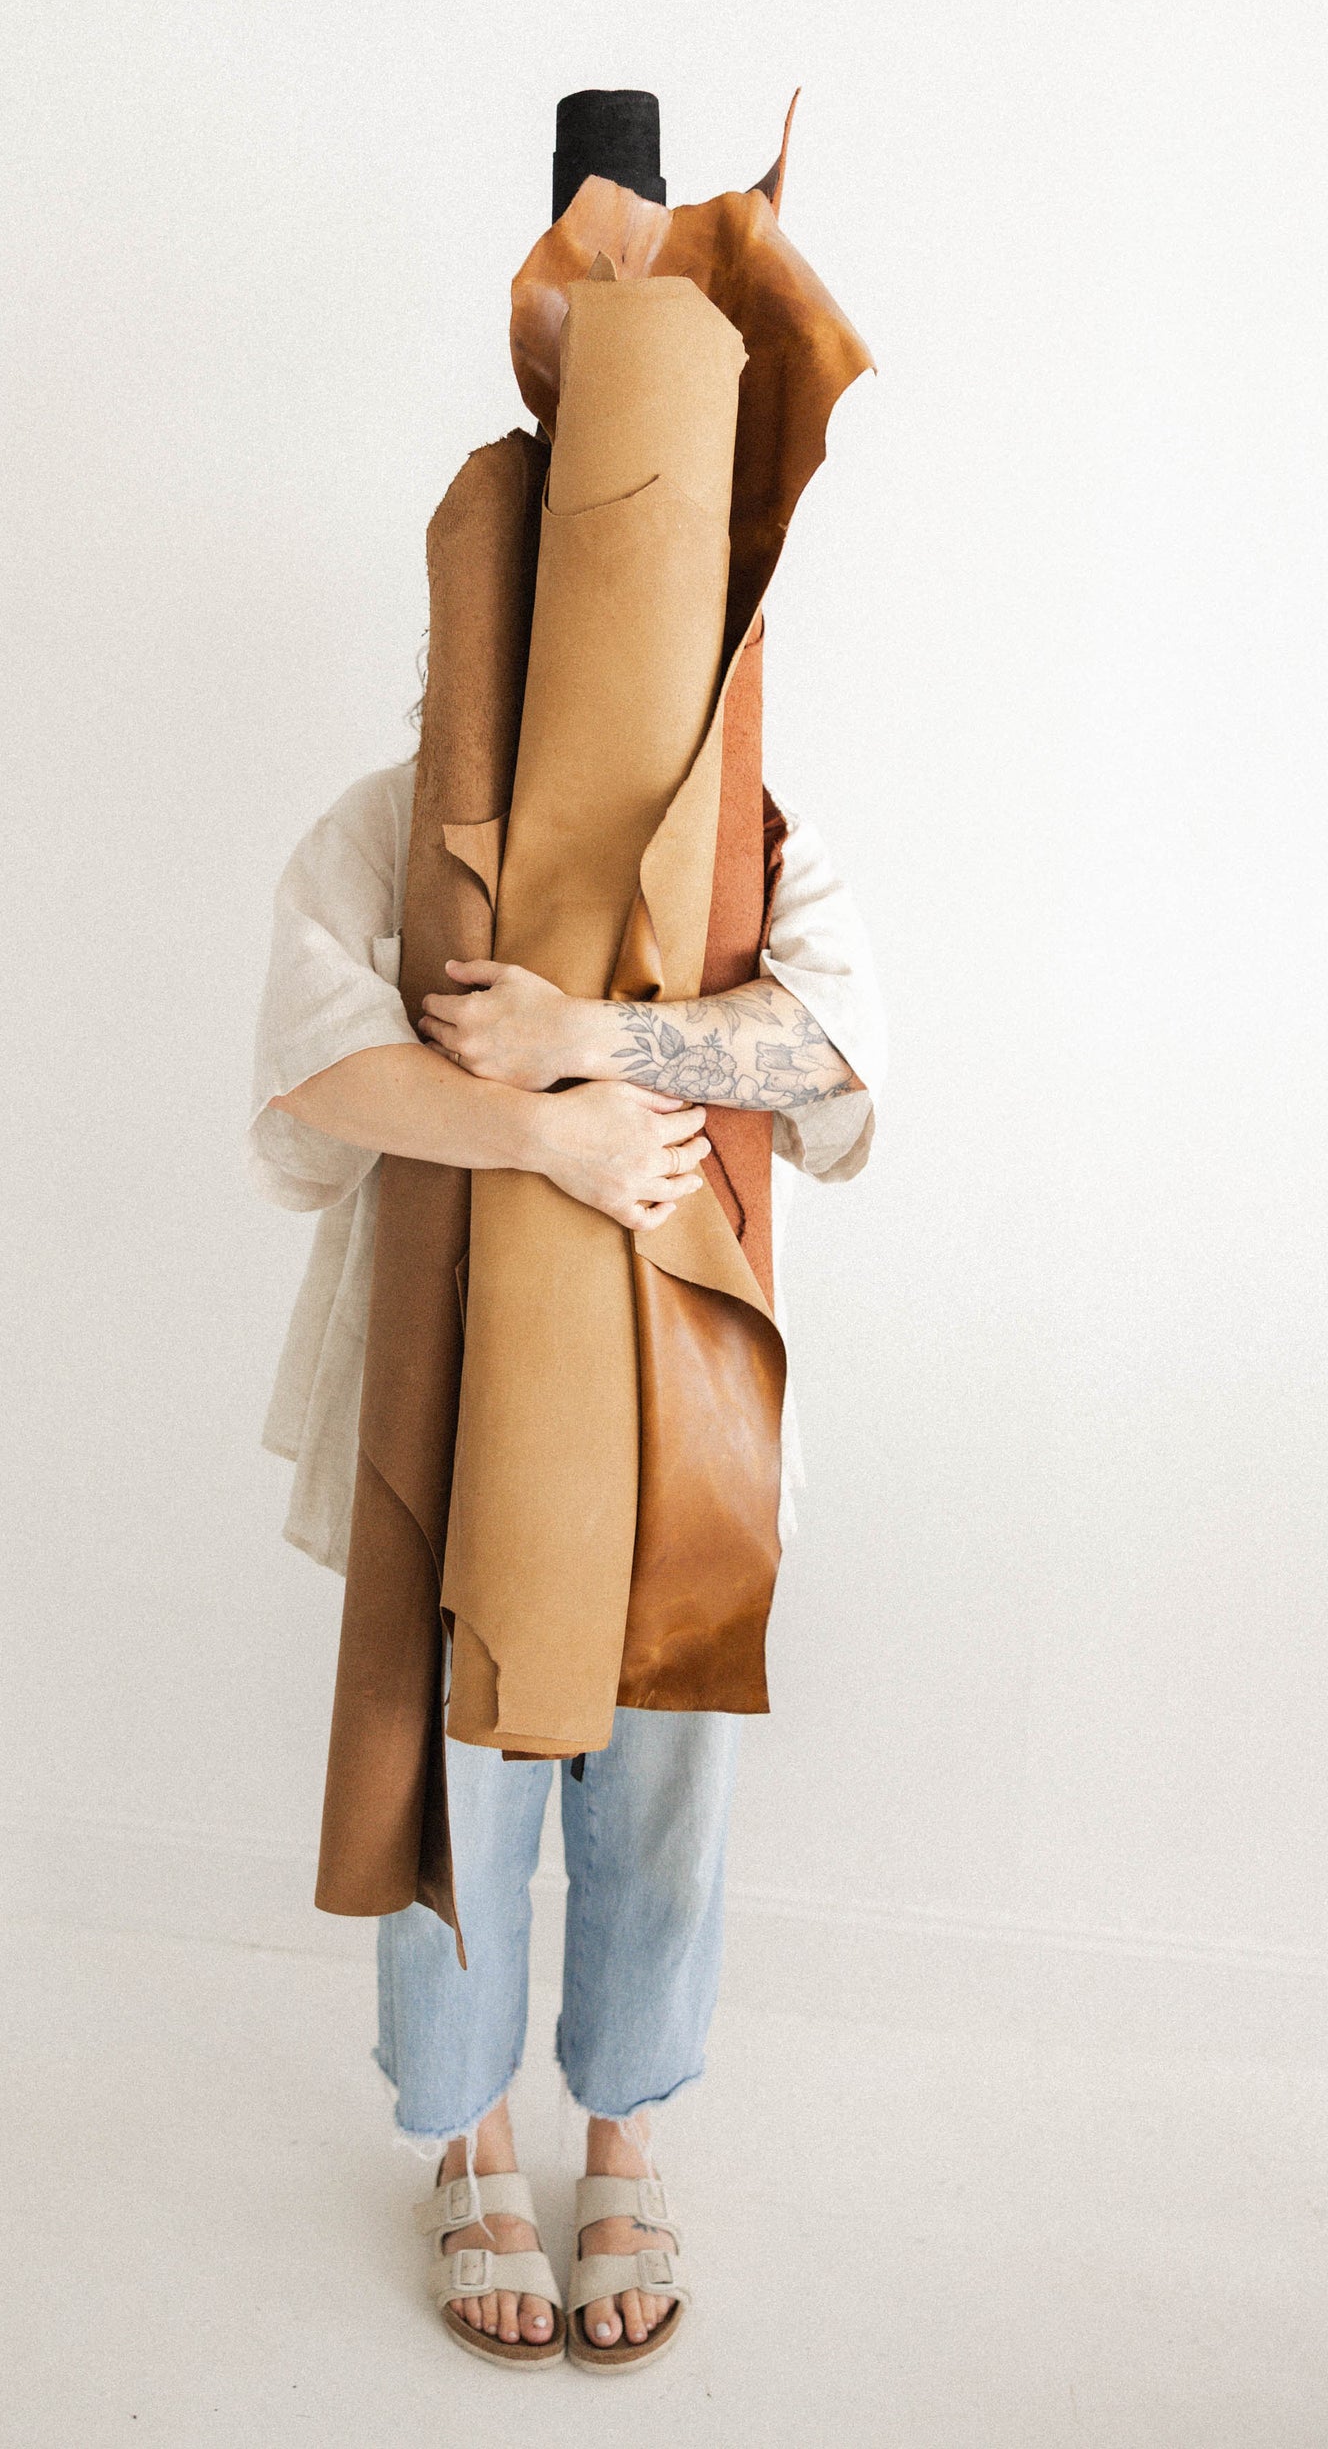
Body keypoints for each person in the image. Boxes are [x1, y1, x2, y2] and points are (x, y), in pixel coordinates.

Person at [248, 743, 885, 2365]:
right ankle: (467, 2143)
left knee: (666, 1776)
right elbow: (314, 1073)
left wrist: (583, 1040)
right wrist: (545, 1138)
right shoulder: (396, 815)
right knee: (458, 1769)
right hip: (454, 1386)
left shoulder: (751, 826)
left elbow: (833, 1050)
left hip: (688, 1385)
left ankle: (622, 2141)